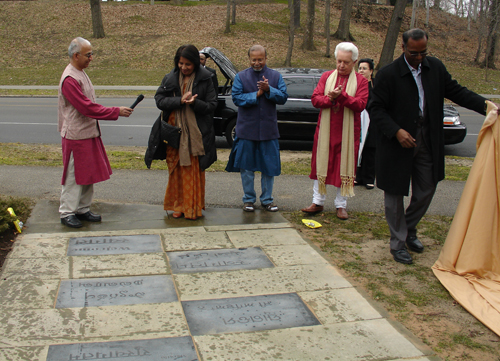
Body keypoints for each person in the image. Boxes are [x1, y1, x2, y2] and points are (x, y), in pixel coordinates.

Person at [368, 28, 491, 264]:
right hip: (397, 144)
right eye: (414, 53)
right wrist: (396, 131)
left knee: (427, 189)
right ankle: (398, 243)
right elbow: (375, 108)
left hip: (428, 139)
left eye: (424, 52)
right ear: (403, 48)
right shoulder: (388, 74)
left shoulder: (435, 68)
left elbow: (457, 91)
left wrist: (486, 107)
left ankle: (409, 228)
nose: (420, 57)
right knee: (394, 195)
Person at [58, 37, 133, 229]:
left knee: (88, 174)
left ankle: (82, 209)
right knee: (73, 176)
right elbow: (86, 107)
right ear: (76, 55)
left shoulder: (80, 72)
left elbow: (89, 106)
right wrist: (115, 111)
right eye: (88, 54)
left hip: (88, 132)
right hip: (76, 135)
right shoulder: (70, 79)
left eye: (92, 54)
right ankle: (67, 212)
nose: (91, 58)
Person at [301, 42, 369, 220]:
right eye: (339, 61)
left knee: (344, 166)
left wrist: (342, 96)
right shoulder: (327, 76)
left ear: (354, 62)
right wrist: (330, 100)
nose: (341, 65)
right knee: (320, 164)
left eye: (346, 62)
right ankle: (317, 201)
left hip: (348, 133)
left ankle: (341, 205)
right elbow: (316, 99)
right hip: (325, 131)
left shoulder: (361, 81)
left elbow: (360, 105)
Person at [154, 44, 217, 220]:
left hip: (196, 134)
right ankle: (177, 205)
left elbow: (212, 105)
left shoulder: (206, 78)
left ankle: (192, 207)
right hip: (174, 133)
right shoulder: (169, 78)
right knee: (176, 170)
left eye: (188, 64)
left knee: (192, 170)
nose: (184, 67)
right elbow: (159, 100)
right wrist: (179, 101)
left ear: (195, 63)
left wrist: (194, 103)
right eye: (181, 63)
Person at [225, 45, 288, 212]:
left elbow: (283, 97)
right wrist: (256, 95)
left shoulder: (275, 76)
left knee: (269, 167)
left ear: (266, 58)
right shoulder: (240, 77)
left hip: (268, 130)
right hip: (247, 130)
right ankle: (248, 200)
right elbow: (237, 98)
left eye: (260, 59)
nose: (257, 62)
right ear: (249, 59)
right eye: (254, 59)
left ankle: (267, 200)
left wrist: (269, 90)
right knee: (246, 167)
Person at [355, 58, 376, 190]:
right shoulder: (356, 84)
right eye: (360, 68)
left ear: (371, 71)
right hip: (359, 122)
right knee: (358, 149)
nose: (361, 71)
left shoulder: (375, 86)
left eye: (364, 68)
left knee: (370, 150)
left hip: (372, 123)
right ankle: (358, 177)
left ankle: (369, 178)